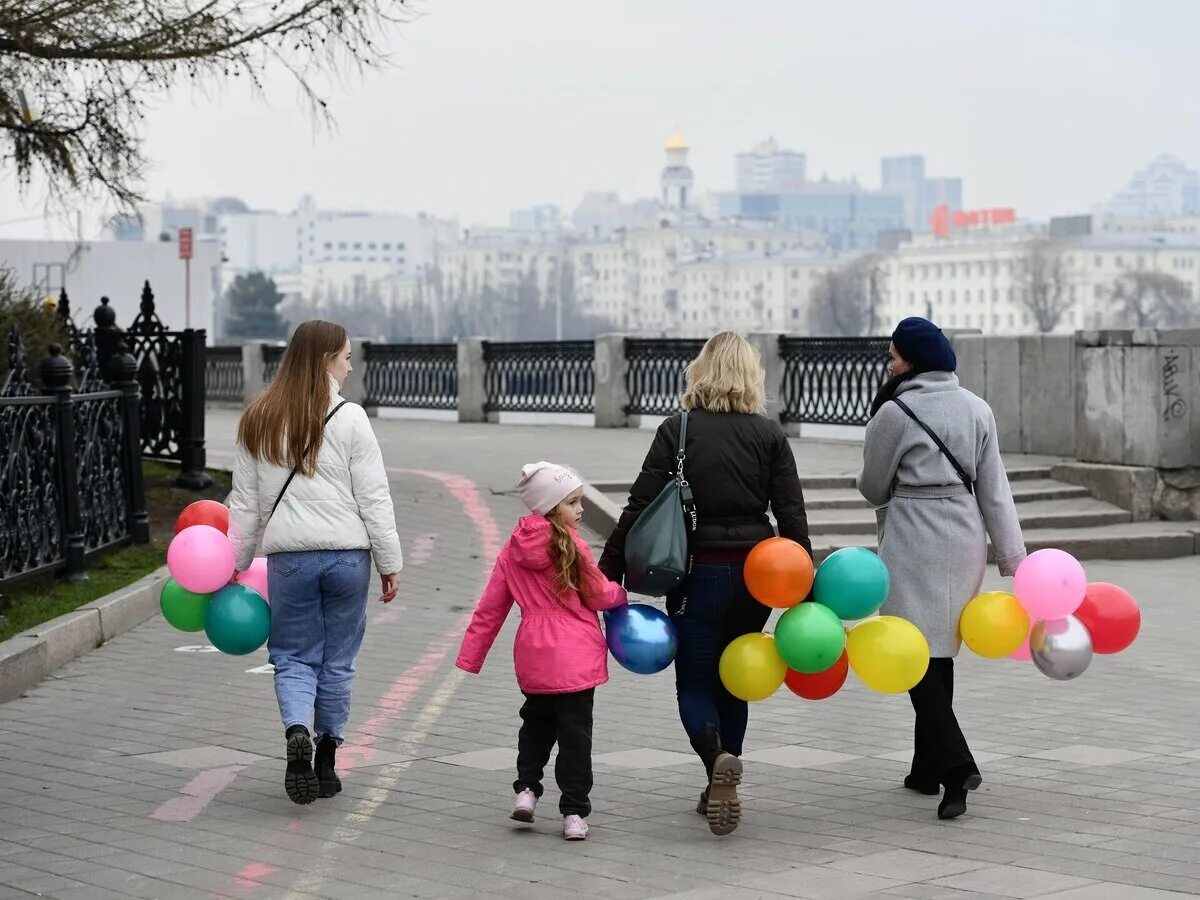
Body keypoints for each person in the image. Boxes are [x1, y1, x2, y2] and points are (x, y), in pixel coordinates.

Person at [598, 332, 811, 836]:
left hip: (697, 576)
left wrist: (606, 571)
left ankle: (715, 760)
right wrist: (805, 584)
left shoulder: (679, 429)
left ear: (700, 371)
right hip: (758, 579)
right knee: (736, 678)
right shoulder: (769, 436)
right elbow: (791, 516)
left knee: (695, 683)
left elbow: (639, 504)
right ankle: (722, 777)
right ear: (750, 376)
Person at [858, 317, 1027, 820]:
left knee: (911, 650)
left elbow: (873, 487)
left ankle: (956, 764)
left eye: (893, 355)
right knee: (939, 648)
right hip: (965, 534)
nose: (889, 363)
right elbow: (994, 488)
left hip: (913, 533)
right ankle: (925, 769)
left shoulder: (895, 411)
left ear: (912, 360)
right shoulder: (978, 408)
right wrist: (1013, 557)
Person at [228, 321, 402, 806]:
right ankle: (326, 758)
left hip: (288, 560)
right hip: (348, 557)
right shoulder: (350, 418)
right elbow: (374, 499)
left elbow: (244, 504)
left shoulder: (257, 418)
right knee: (339, 659)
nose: (350, 366)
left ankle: (297, 731)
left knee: (293, 655)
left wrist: (236, 565)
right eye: (346, 357)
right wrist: (390, 561)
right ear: (325, 358)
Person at [455, 462, 628, 841]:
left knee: (535, 725)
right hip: (575, 659)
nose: (580, 509)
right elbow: (599, 595)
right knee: (575, 737)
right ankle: (574, 814)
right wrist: (622, 594)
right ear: (551, 509)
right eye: (572, 502)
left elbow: (491, 608)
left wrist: (471, 656)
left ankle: (527, 791)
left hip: (533, 655)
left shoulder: (512, 549)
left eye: (580, 501)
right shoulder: (573, 547)